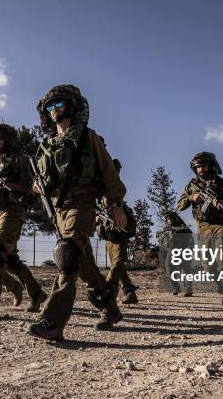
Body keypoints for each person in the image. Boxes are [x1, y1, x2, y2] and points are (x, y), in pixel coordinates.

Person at [28, 85, 127, 341]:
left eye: (58, 104)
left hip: (82, 204)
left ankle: (52, 320)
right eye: (49, 106)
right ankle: (110, 307)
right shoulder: (46, 145)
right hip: (59, 209)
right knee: (83, 265)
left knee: (67, 254)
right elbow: (44, 181)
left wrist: (116, 206)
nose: (53, 110)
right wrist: (37, 186)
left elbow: (108, 172)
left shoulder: (87, 136)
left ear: (70, 107)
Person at [0, 122, 48, 319]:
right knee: (9, 262)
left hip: (11, 211)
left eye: (0, 138)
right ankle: (35, 293)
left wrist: (6, 184)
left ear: (8, 140)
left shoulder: (20, 161)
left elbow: (28, 186)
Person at [177, 152, 223, 315]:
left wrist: (222, 204)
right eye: (198, 167)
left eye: (204, 166)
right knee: (208, 266)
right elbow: (179, 205)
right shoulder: (190, 186)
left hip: (222, 226)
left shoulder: (222, 183)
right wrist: (193, 198)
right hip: (203, 228)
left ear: (211, 166)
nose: (201, 169)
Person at [97, 159, 140, 304]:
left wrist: (121, 224)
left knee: (116, 265)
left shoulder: (117, 197)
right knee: (118, 266)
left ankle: (107, 292)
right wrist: (98, 220)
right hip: (109, 238)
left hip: (119, 237)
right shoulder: (100, 196)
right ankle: (130, 292)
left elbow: (130, 223)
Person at [159, 211, 194, 297]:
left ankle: (188, 290)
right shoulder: (166, 230)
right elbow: (161, 241)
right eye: (167, 219)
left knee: (186, 270)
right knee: (168, 268)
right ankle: (175, 288)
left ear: (175, 218)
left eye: (170, 218)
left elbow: (190, 239)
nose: (169, 220)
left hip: (183, 251)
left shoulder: (184, 229)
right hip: (171, 251)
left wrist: (189, 249)